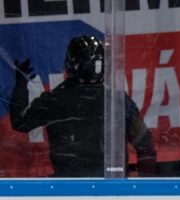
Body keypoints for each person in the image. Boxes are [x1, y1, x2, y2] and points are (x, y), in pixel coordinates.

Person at [9, 35, 156, 177]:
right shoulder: (118, 100)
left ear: (69, 65)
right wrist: (141, 190)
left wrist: (20, 86)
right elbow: (145, 147)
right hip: (111, 190)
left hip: (69, 190)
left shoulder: (54, 99)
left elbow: (20, 122)